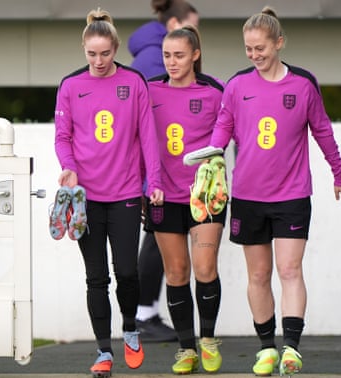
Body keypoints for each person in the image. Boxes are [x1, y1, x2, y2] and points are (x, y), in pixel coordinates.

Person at [204, 6, 341, 377]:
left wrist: (340, 175)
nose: (254, 56)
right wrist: (210, 160)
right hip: (248, 196)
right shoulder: (237, 85)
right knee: (258, 276)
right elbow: (223, 127)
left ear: (279, 42)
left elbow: (322, 131)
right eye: (249, 49)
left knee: (289, 269)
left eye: (261, 48)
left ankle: (291, 349)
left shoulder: (303, 84)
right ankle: (266, 348)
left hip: (292, 195)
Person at [53, 7, 164, 378]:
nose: (98, 61)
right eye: (91, 54)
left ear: (115, 47)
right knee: (96, 277)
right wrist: (68, 166)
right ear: (84, 49)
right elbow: (63, 137)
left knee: (127, 272)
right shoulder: (71, 86)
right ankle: (104, 351)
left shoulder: (134, 83)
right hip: (86, 197)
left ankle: (130, 327)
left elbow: (148, 137)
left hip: (127, 193)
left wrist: (155, 183)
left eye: (105, 53)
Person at [146, 26, 227, 374]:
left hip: (205, 198)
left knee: (205, 268)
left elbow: (236, 132)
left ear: (195, 54)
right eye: (167, 55)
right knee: (176, 272)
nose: (172, 62)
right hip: (164, 196)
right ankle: (186, 349)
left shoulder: (214, 92)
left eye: (179, 55)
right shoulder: (149, 91)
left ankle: (208, 340)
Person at [128, 0, 199, 342]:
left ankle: (146, 313)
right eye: (192, 27)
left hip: (160, 166)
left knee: (155, 240)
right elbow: (144, 122)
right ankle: (144, 315)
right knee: (155, 241)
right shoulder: (158, 59)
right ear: (174, 25)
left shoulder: (151, 54)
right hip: (154, 168)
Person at [128, 0, 199, 79]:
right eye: (191, 28)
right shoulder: (155, 57)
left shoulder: (155, 52)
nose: (195, 34)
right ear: (174, 23)